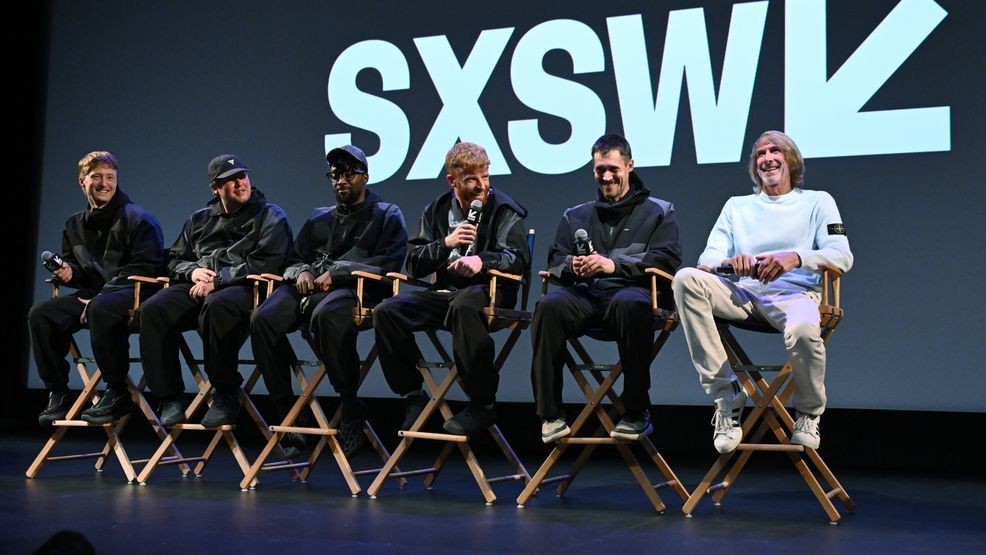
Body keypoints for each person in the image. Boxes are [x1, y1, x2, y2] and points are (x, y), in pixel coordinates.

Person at [672, 130, 853, 452]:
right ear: (755, 166)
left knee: (802, 332)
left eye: (775, 151)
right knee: (686, 279)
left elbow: (842, 255)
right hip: (743, 294)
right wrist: (730, 262)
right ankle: (726, 397)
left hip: (795, 295)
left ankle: (809, 412)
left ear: (790, 160)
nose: (768, 158)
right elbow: (708, 259)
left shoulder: (817, 201)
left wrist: (795, 257)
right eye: (760, 154)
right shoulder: (737, 206)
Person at [249, 145, 407, 457]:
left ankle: (349, 404)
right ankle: (288, 413)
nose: (341, 180)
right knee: (262, 319)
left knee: (327, 315)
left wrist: (341, 272)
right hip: (311, 288)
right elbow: (293, 259)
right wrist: (302, 270)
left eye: (349, 174)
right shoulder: (319, 218)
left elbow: (391, 263)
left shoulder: (387, 214)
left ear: (365, 177)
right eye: (335, 175)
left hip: (357, 289)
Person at [531, 133, 682, 443]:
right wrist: (572, 265)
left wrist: (614, 265)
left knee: (630, 303)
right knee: (548, 307)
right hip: (587, 296)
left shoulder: (659, 211)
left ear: (630, 166)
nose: (607, 176)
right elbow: (556, 259)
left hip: (634, 293)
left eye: (614, 168)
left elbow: (665, 259)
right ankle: (551, 414)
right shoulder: (575, 215)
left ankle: (636, 411)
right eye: (600, 170)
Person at [372, 142, 530, 435]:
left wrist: (481, 261)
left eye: (485, 176)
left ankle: (482, 403)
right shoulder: (437, 210)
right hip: (445, 294)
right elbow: (414, 263)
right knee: (386, 312)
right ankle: (412, 395)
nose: (481, 186)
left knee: (465, 305)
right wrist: (445, 244)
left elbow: (517, 260)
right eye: (472, 179)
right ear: (452, 181)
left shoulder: (505, 210)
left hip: (490, 292)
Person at [139, 154, 292, 427]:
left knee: (217, 305)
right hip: (199, 283)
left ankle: (225, 391)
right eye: (230, 180)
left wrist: (218, 280)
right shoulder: (199, 220)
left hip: (247, 287)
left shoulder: (270, 214)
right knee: (153, 309)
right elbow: (173, 259)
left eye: (242, 176)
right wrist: (192, 271)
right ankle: (169, 396)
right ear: (215, 188)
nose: (240, 183)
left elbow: (266, 261)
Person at [29, 151, 164, 426]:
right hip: (95, 296)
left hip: (133, 294)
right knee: (41, 314)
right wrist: (68, 274)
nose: (104, 183)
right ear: (83, 182)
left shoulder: (138, 218)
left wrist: (102, 295)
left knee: (101, 308)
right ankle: (58, 391)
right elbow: (80, 272)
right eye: (97, 177)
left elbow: (146, 267)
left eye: (110, 177)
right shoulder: (74, 224)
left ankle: (117, 392)